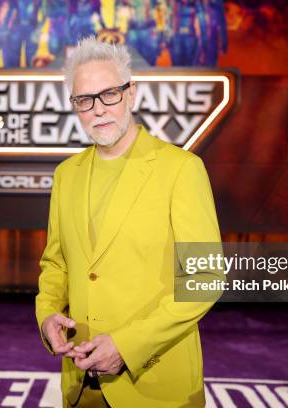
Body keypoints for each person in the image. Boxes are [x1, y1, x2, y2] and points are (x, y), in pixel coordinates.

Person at [35, 37, 222, 407]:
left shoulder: (182, 169)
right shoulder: (66, 175)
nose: (98, 110)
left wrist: (127, 345)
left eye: (109, 95)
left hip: (157, 388)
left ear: (131, 93)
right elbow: (56, 263)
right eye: (84, 100)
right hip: (80, 385)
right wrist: (46, 314)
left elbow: (205, 279)